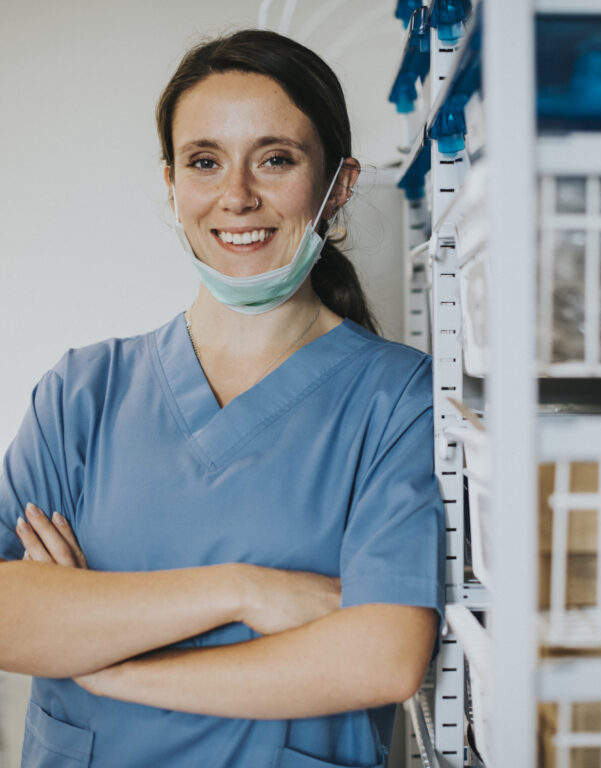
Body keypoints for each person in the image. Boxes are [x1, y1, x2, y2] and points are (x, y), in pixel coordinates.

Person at [0, 30, 444, 768]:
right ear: (172, 185)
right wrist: (243, 592)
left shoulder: (396, 400)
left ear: (337, 184)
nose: (237, 196)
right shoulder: (85, 392)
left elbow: (381, 656)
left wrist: (112, 664)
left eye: (275, 159)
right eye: (205, 161)